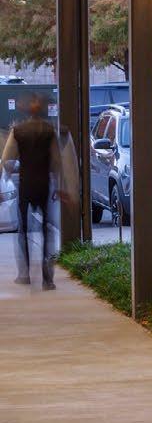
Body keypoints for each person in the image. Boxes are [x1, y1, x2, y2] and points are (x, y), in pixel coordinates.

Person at [3, 95, 72, 290]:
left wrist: (7, 176)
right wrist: (61, 187)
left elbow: (7, 160)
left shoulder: (18, 131)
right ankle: (47, 279)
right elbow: (57, 162)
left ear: (26, 111)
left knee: (23, 230)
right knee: (46, 230)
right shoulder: (50, 131)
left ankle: (24, 274)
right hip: (43, 185)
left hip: (26, 185)